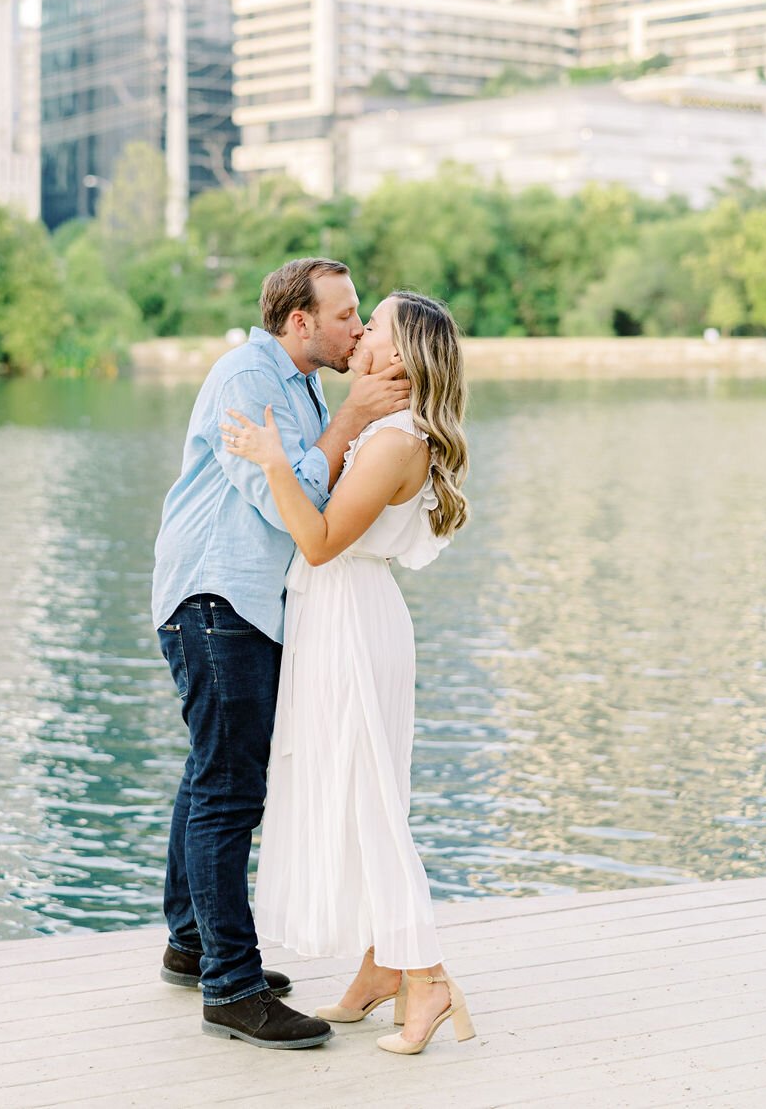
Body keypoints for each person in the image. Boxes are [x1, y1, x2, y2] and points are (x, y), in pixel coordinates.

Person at [151, 258, 410, 1050]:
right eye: (346, 316)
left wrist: (347, 423)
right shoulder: (245, 377)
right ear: (300, 322)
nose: (359, 329)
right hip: (216, 596)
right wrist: (350, 422)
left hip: (245, 601)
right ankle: (231, 985)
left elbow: (319, 494)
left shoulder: (302, 387)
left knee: (211, 771)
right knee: (231, 788)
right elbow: (285, 494)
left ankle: (193, 943)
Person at [220, 289, 476, 1057]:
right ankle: (378, 968)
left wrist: (273, 464)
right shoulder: (387, 430)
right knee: (360, 791)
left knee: (370, 801)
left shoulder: (397, 441)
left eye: (376, 327)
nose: (361, 333)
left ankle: (426, 977)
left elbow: (322, 539)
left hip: (353, 621)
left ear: (397, 357)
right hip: (342, 618)